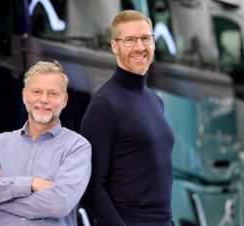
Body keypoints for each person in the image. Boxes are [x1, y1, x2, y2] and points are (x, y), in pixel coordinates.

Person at [0, 61, 92, 226]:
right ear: (24, 95)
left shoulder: (77, 147)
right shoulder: (0, 143)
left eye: (53, 93)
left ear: (65, 100)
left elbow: (59, 204)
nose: (44, 99)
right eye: (37, 92)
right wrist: (32, 183)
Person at [80, 10, 175, 226]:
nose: (140, 47)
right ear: (115, 46)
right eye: (130, 40)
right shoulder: (104, 105)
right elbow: (92, 186)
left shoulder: (155, 101)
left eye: (145, 38)